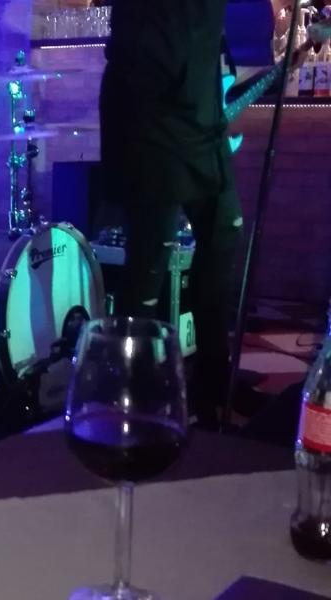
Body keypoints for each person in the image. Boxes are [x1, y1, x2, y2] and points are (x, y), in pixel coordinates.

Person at [100, 0, 243, 429]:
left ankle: (213, 383)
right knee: (150, 258)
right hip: (150, 111)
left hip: (201, 111)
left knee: (224, 234)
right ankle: (131, 390)